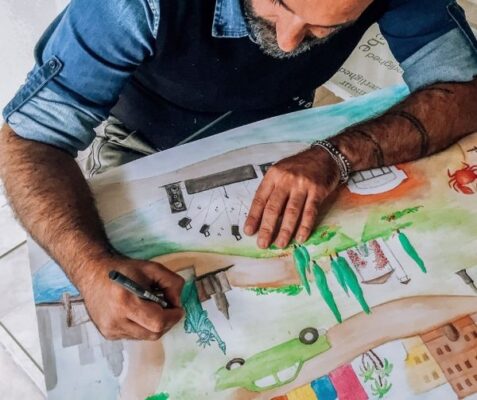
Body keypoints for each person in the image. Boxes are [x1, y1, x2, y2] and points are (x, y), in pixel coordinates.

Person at [1, 0, 476, 341]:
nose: (288, 41)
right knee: (138, 309)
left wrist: (336, 154)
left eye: (322, 28)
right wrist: (89, 268)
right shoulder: (129, 6)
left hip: (281, 130)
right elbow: (27, 139)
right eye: (278, 4)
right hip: (140, 137)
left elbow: (464, 89)